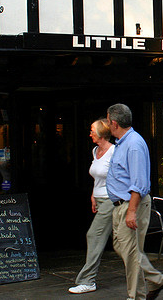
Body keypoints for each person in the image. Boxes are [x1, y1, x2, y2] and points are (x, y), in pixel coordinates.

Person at [106, 103, 163, 300]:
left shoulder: (133, 145)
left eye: (108, 121)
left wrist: (131, 211)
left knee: (131, 253)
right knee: (122, 246)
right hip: (121, 205)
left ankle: (136, 296)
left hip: (131, 205)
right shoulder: (122, 143)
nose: (107, 125)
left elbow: (139, 183)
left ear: (114, 123)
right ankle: (155, 279)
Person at [69, 119, 116, 294]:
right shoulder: (95, 150)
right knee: (122, 244)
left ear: (102, 133)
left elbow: (117, 178)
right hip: (99, 198)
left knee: (94, 235)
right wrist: (92, 196)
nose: (90, 134)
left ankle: (87, 281)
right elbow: (98, 177)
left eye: (92, 131)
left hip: (111, 200)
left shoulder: (114, 152)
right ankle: (150, 275)